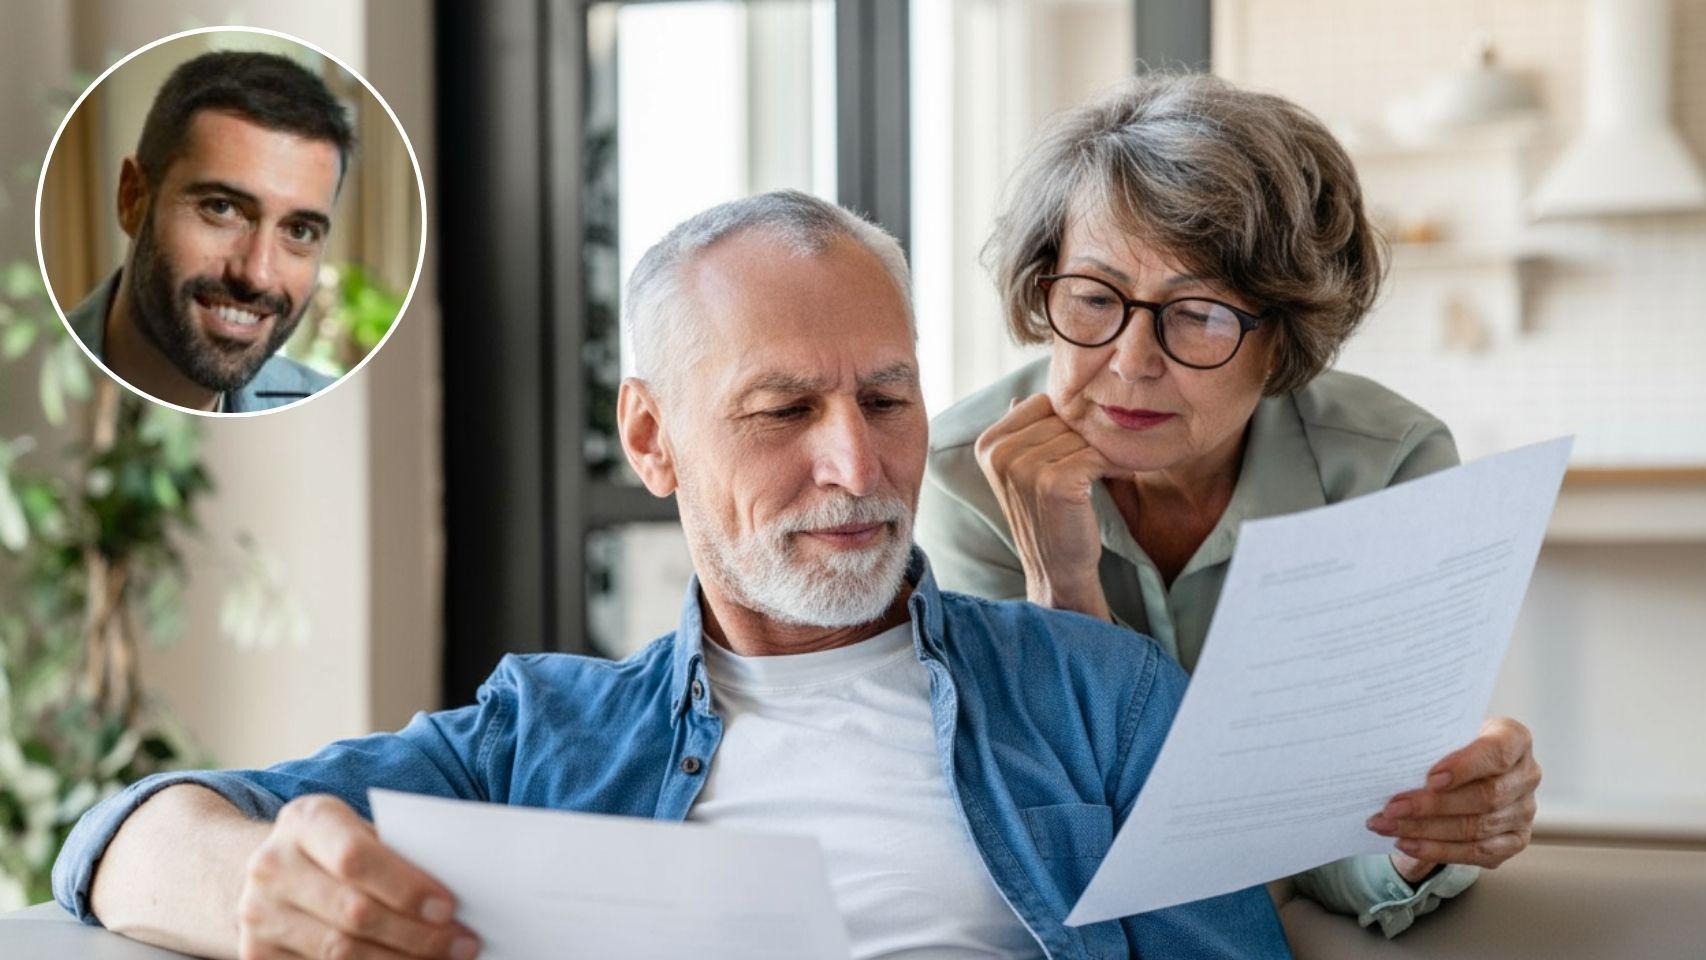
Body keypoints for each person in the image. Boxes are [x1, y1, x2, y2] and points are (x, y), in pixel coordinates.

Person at [53, 192, 1292, 960]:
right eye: (781, 409)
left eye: (885, 398)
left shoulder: (1101, 696)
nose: (853, 462)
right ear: (650, 440)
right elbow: (120, 838)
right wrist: (253, 893)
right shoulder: (536, 737)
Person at [915, 73, 1541, 938]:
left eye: (1199, 313)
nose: (1132, 361)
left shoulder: (1387, 468)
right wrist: (1062, 588)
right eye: (1094, 300)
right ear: (1044, 290)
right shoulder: (963, 478)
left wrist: (1425, 832)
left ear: (1285, 334)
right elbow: (1045, 837)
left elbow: (1341, 829)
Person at [63, 50, 348, 413]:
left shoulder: (325, 412)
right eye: (221, 208)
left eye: (299, 231)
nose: (257, 275)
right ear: (132, 199)